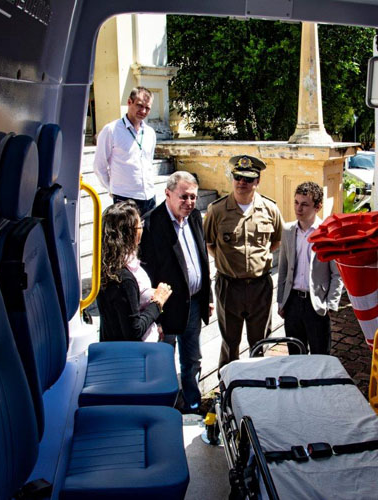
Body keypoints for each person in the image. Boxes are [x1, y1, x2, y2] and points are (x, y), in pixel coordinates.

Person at [140, 171, 213, 413]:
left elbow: (203, 260)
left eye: (193, 197)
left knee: (192, 358)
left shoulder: (194, 217)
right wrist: (155, 316)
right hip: (166, 308)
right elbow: (149, 273)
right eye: (184, 197)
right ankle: (168, 406)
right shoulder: (151, 224)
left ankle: (192, 402)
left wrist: (207, 297)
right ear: (168, 193)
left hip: (194, 303)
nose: (189, 202)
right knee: (164, 359)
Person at [204, 155, 283, 368]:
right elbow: (210, 244)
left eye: (248, 179)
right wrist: (228, 262)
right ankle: (228, 382)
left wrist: (257, 261)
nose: (242, 182)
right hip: (229, 287)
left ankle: (257, 380)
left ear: (258, 181)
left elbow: (275, 241)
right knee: (230, 342)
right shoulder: (217, 210)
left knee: (260, 341)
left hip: (260, 287)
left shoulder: (270, 209)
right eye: (238, 177)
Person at [277, 182, 343, 354]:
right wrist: (281, 301)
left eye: (305, 204)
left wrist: (331, 303)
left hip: (316, 304)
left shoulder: (327, 233)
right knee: (295, 355)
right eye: (296, 202)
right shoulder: (288, 230)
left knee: (320, 356)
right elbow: (283, 268)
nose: (298, 208)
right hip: (292, 302)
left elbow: (337, 274)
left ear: (318, 207)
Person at [96, 201, 172, 341]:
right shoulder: (124, 278)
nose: (142, 229)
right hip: (134, 350)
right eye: (140, 225)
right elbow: (134, 331)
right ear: (129, 233)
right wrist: (158, 302)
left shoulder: (108, 265)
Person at [93, 86, 158, 215]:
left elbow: (148, 162)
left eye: (147, 108)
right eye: (139, 105)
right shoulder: (111, 130)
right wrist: (112, 188)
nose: (143, 111)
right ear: (129, 102)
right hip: (125, 198)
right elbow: (99, 166)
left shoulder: (150, 133)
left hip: (149, 197)